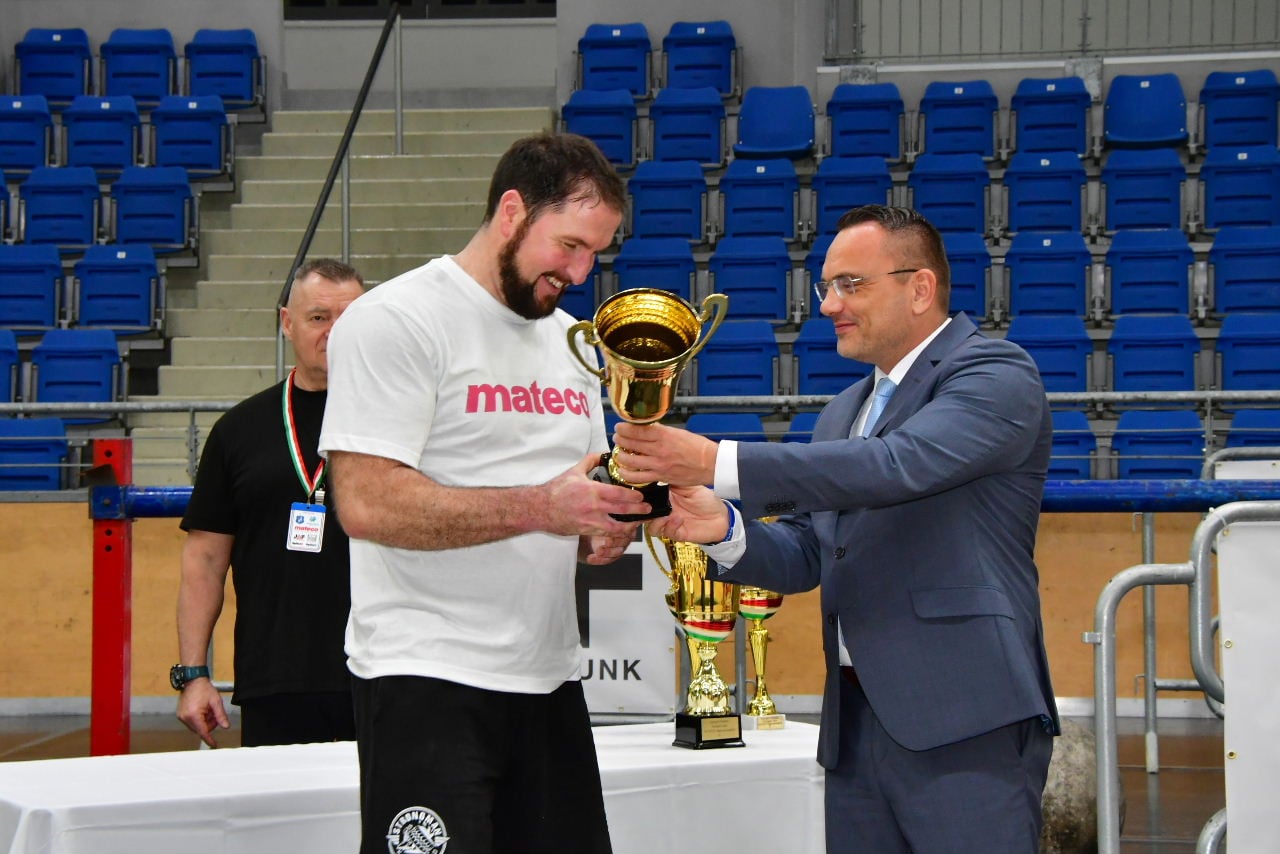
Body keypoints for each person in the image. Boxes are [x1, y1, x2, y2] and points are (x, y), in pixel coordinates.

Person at [614, 204, 1061, 854]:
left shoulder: (995, 372)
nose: (828, 305)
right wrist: (722, 528)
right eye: (826, 286)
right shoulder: (844, 411)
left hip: (966, 718)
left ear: (920, 288)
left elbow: (897, 465)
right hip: (854, 726)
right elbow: (807, 553)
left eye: (850, 284)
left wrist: (716, 462)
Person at [319, 132, 647, 854]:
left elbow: (569, 496)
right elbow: (367, 505)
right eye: (569, 245)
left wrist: (599, 526)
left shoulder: (574, 342)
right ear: (511, 212)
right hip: (425, 674)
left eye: (594, 253)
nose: (580, 271)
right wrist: (544, 508)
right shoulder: (396, 319)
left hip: (549, 675)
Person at [175, 258, 366, 748]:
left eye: (350, 318)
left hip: (386, 674)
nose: (334, 332)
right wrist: (193, 674)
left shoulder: (406, 419)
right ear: (287, 322)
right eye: (318, 317)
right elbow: (204, 559)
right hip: (274, 680)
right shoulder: (239, 430)